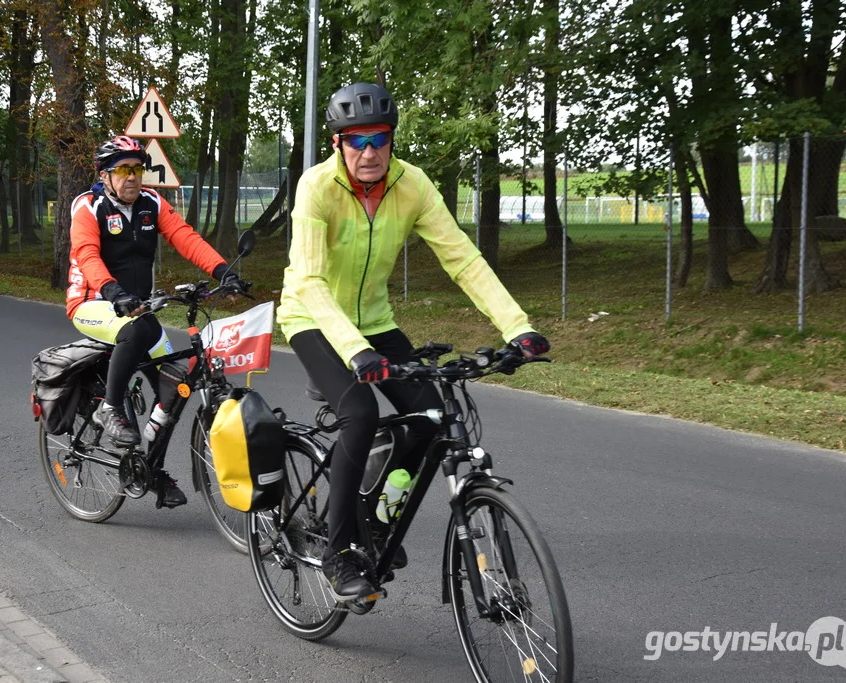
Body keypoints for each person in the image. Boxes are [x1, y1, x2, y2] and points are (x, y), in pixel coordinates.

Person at [277, 83, 550, 601]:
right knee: (359, 414)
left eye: (378, 138)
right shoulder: (316, 187)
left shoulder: (413, 185)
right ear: (337, 144)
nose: (368, 151)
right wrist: (356, 352)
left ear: (392, 139)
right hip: (311, 316)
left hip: (375, 321)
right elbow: (310, 282)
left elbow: (463, 259)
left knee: (429, 420)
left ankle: (377, 521)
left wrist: (518, 327)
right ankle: (339, 553)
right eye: (355, 140)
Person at [66, 135, 242, 508]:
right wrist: (113, 292)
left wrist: (223, 270)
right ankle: (109, 407)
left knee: (175, 387)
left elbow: (185, 237)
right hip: (93, 303)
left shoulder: (151, 203)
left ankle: (150, 469)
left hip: (138, 310)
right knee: (140, 328)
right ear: (106, 175)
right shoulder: (88, 206)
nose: (133, 177)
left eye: (138, 169)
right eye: (124, 170)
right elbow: (87, 254)